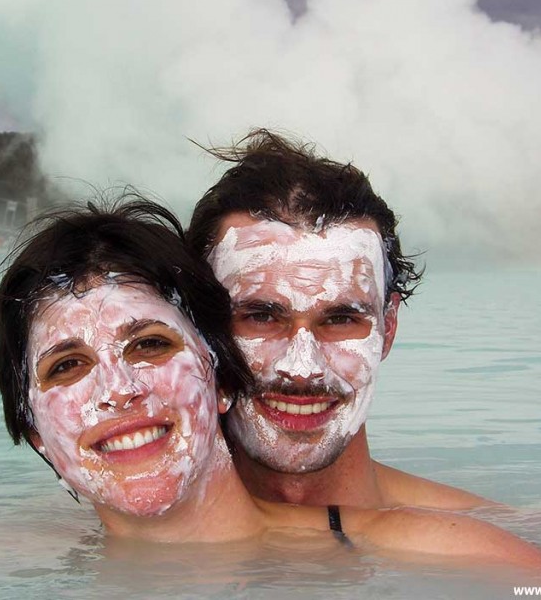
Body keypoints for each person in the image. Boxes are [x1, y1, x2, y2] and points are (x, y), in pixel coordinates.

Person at [0, 198, 541, 578]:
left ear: (219, 375)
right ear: (34, 431)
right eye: (66, 366)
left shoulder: (438, 548)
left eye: (150, 344)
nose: (117, 391)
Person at [187, 129, 490, 510]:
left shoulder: (483, 542)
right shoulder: (106, 540)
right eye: (261, 317)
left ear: (388, 327)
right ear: (198, 329)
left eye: (340, 320)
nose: (302, 370)